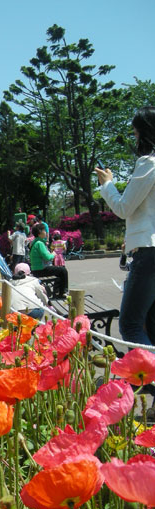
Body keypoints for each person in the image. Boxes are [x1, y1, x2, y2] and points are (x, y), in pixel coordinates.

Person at [95, 106, 155, 346]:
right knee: (149, 323)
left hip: (149, 252)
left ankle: (148, 378)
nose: (134, 137)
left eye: (135, 132)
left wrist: (107, 184)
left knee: (130, 325)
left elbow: (122, 208)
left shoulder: (148, 163)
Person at [29, 223, 69, 298]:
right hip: (41, 269)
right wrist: (53, 254)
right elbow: (47, 257)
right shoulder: (39, 243)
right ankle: (63, 292)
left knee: (59, 270)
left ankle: (58, 292)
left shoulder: (35, 242)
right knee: (63, 270)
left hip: (36, 270)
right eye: (44, 230)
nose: (46, 232)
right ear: (39, 232)